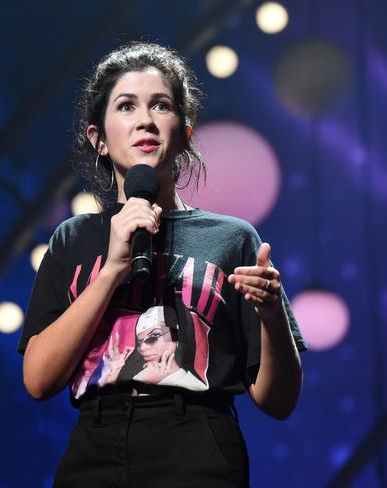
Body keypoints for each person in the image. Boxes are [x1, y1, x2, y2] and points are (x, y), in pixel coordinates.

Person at [17, 41, 307, 487]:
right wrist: (112, 269)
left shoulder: (232, 238)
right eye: (126, 106)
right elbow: (38, 381)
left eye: (161, 106)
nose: (145, 120)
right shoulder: (73, 239)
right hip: (96, 442)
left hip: (196, 441)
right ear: (98, 137)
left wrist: (270, 317)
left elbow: (278, 401)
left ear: (185, 134)